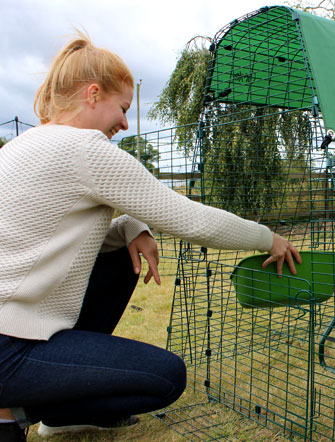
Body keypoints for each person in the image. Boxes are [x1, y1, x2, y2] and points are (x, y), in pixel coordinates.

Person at [0, 33, 301, 441]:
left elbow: (57, 234)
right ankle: (12, 411)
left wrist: (130, 226)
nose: (125, 123)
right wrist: (268, 239)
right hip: (9, 348)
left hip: (14, 334)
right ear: (93, 94)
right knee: (165, 377)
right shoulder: (86, 148)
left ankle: (58, 413)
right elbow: (190, 220)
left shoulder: (22, 145)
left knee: (119, 256)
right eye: (122, 108)